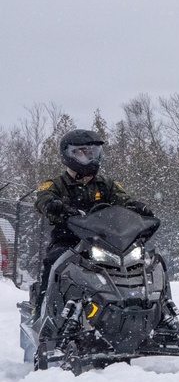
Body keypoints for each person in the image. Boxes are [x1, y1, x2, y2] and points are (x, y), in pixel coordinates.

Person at [34, 129, 154, 310]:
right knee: (54, 260)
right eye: (81, 152)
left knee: (144, 260)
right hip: (69, 240)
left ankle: (152, 307)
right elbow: (43, 199)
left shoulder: (107, 184)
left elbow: (124, 200)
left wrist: (137, 208)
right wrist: (53, 206)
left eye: (92, 152)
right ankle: (42, 307)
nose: (88, 157)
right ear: (68, 155)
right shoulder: (56, 184)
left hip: (106, 241)